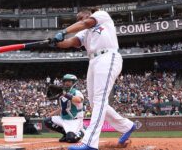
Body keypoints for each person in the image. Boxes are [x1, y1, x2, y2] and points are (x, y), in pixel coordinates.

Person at [51, 8, 136, 150]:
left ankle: (90, 143)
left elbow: (85, 23)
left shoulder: (101, 16)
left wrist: (64, 31)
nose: (79, 20)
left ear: (89, 14)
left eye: (81, 17)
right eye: (77, 19)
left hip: (108, 56)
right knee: (94, 102)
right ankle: (127, 126)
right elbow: (72, 42)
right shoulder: (84, 32)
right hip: (93, 61)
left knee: (99, 99)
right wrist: (56, 43)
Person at [44, 74, 85, 143]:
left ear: (73, 82)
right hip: (63, 118)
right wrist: (52, 113)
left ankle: (82, 131)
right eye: (65, 81)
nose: (66, 83)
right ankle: (66, 134)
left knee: (71, 139)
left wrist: (64, 94)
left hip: (74, 120)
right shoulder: (62, 93)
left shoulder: (77, 92)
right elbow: (63, 108)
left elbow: (78, 100)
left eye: (69, 81)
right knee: (47, 121)